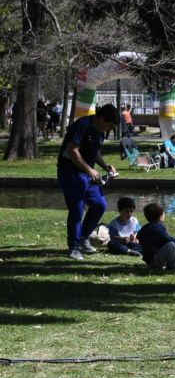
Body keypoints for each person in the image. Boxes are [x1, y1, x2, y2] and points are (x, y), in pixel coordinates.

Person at [57, 103, 120, 260]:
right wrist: (89, 170)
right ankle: (74, 248)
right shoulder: (82, 125)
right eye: (110, 125)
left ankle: (83, 237)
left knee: (99, 204)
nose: (110, 129)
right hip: (71, 172)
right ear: (102, 118)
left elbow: (95, 151)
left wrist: (105, 166)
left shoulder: (99, 130)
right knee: (77, 211)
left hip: (87, 174)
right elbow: (72, 150)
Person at [136, 203, 175, 272]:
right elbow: (170, 241)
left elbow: (139, 237)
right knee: (171, 245)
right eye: (164, 213)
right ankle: (174, 266)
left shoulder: (145, 227)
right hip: (155, 260)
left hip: (149, 261)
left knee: (173, 245)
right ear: (160, 216)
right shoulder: (159, 227)